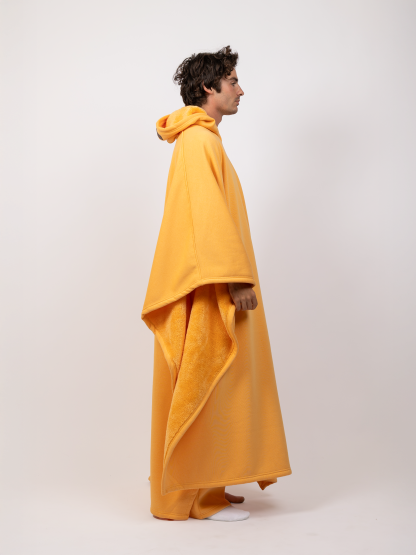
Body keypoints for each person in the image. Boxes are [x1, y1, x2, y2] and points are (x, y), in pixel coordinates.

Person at [142, 46, 291, 522]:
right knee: (206, 379)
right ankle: (197, 498)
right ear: (209, 87)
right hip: (209, 284)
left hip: (210, 279)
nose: (241, 90)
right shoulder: (198, 141)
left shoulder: (202, 139)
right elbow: (205, 218)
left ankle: (210, 485)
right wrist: (236, 279)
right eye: (232, 81)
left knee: (218, 382)